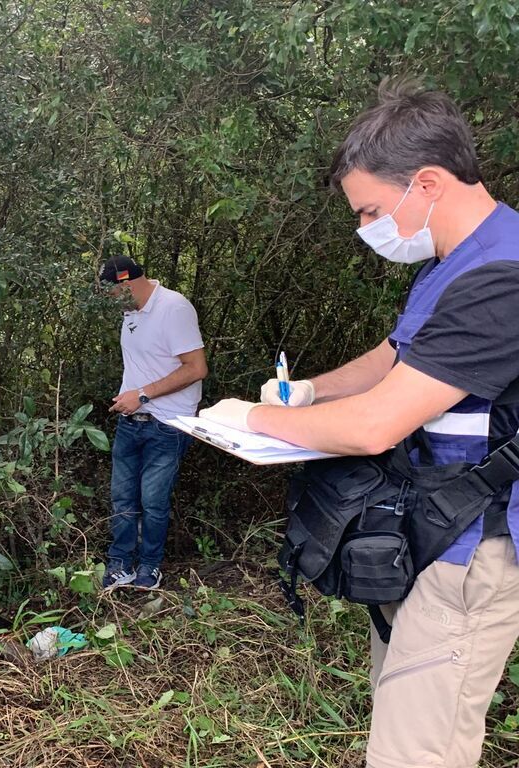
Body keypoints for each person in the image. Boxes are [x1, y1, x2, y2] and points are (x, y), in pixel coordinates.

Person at [200, 79, 519, 768]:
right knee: (400, 720)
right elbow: (391, 357)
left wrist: (248, 417)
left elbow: (377, 424)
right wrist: (307, 395)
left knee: (417, 754)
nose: (365, 228)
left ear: (427, 183)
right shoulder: (451, 264)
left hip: (470, 548)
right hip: (428, 530)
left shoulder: (503, 277)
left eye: (370, 209)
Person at [99, 255, 208, 591]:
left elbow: (196, 368)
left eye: (110, 293)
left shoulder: (173, 308)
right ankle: (120, 564)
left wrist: (143, 394)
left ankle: (149, 566)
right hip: (131, 419)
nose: (108, 301)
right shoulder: (130, 311)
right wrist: (129, 399)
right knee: (122, 498)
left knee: (153, 501)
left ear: (126, 284)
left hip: (168, 424)